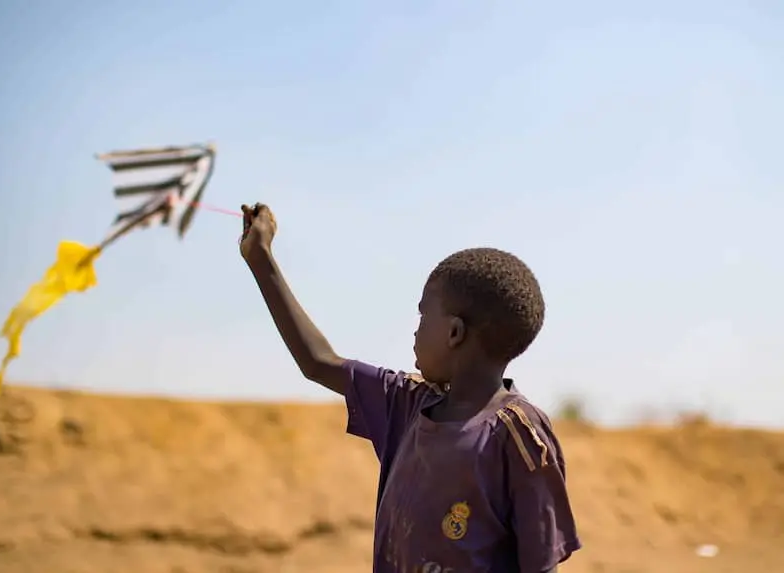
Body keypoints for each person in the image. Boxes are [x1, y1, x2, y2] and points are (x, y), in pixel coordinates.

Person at [239, 203, 581, 573]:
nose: (416, 330)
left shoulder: (519, 436)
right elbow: (318, 361)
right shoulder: (406, 405)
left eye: (422, 314)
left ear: (454, 332)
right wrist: (261, 259)